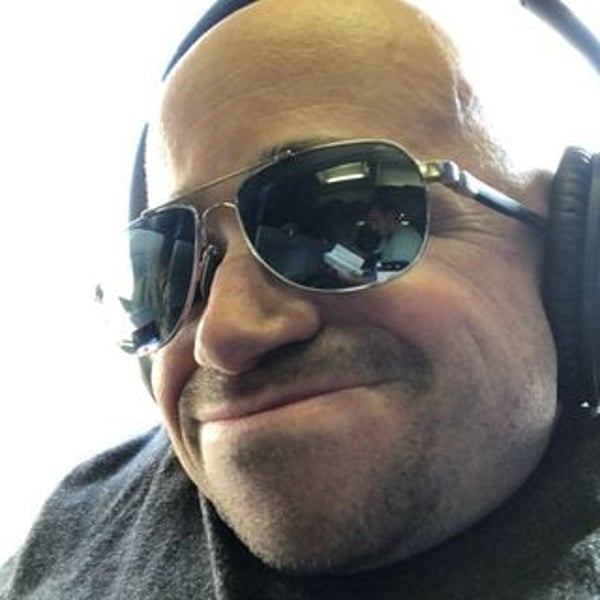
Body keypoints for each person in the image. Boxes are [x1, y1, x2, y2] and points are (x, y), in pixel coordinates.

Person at [2, 0, 600, 598]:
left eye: (340, 219)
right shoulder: (69, 526)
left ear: (575, 263)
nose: (223, 336)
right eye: (168, 262)